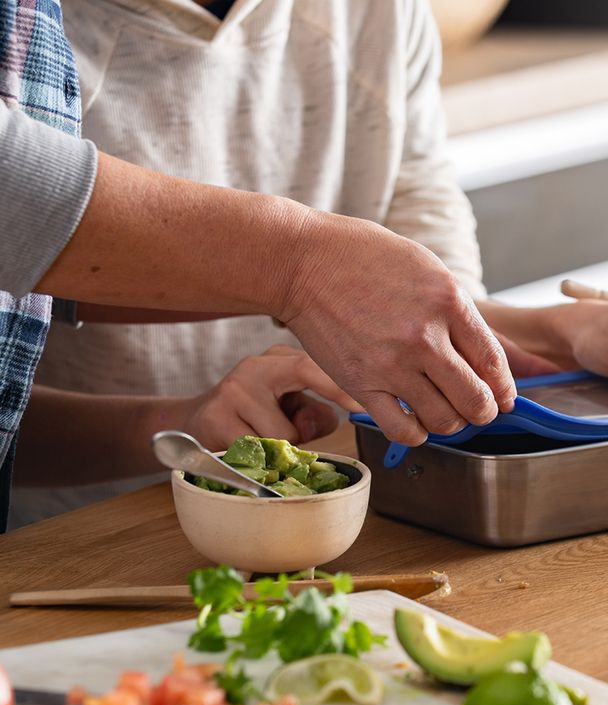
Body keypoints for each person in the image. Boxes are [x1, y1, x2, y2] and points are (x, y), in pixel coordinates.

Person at [8, 0, 608, 527]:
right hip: (80, 552)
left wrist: (557, 331)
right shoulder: (36, 34)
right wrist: (171, 423)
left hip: (359, 539)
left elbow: (400, 306)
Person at [0, 0, 536, 530]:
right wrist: (299, 269)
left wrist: (535, 328)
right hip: (73, 535)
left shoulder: (385, 15)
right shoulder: (43, 29)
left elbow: (417, 240)